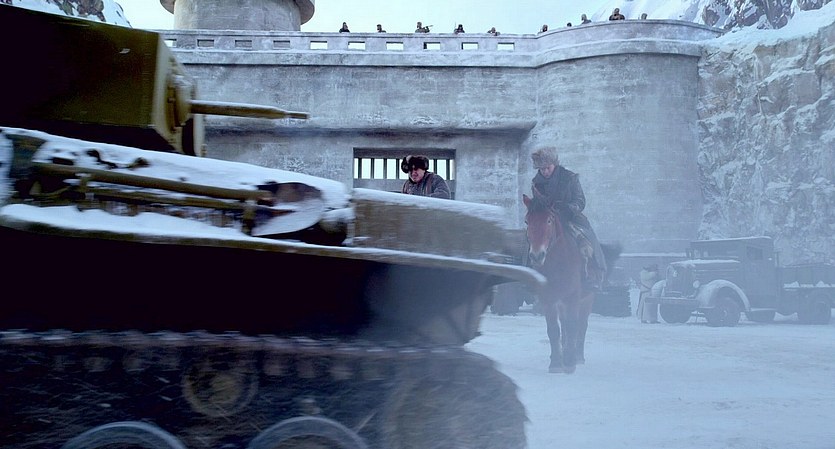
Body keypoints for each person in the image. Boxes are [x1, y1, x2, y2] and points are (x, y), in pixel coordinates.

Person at [530, 147, 606, 289]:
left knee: (588, 237)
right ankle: (529, 275)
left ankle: (596, 272)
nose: (545, 171)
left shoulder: (570, 178)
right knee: (530, 238)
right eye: (541, 169)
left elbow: (580, 201)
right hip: (547, 219)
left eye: (547, 168)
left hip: (570, 217)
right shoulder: (536, 183)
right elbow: (537, 206)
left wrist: (568, 207)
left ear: (554, 164)